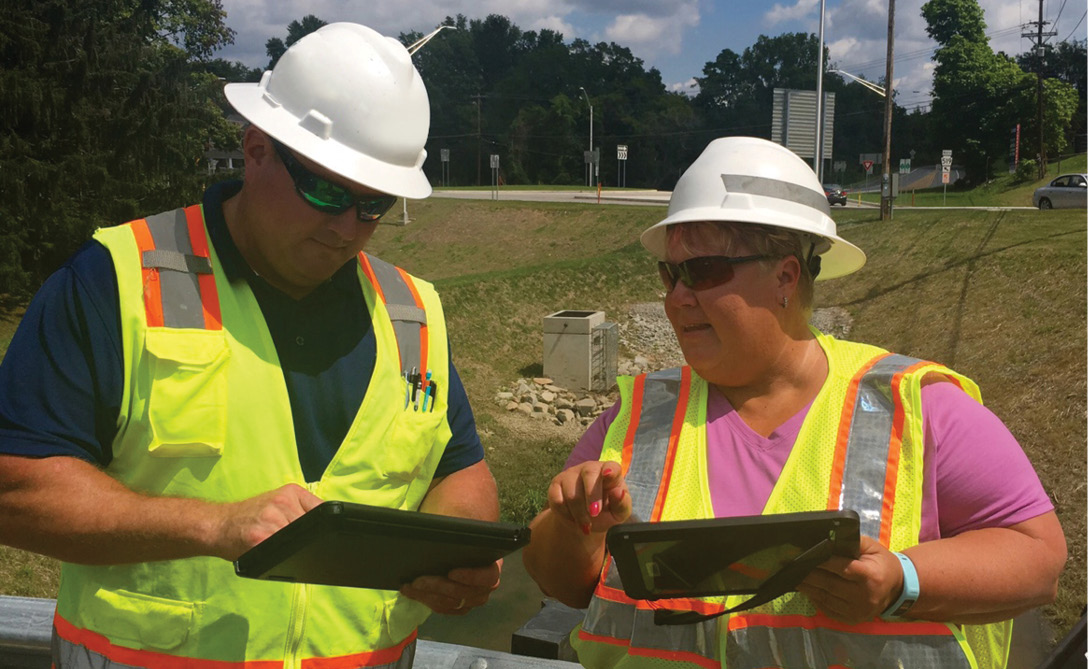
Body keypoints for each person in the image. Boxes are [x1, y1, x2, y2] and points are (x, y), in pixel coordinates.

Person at [0, 22, 500, 667]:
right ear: (256, 148)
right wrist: (212, 526)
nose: (347, 228)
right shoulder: (116, 279)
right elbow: (17, 487)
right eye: (325, 191)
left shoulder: (413, 312)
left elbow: (459, 468)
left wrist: (457, 553)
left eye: (374, 203)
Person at [522, 136, 1067, 668]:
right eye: (670, 273)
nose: (676, 296)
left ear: (785, 275)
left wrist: (904, 579)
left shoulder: (916, 406)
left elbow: (1038, 560)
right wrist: (576, 527)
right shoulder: (638, 413)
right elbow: (561, 583)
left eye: (703, 271)